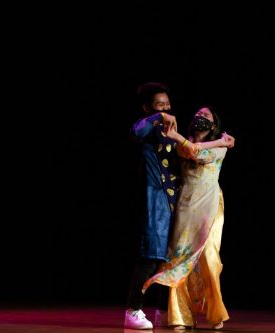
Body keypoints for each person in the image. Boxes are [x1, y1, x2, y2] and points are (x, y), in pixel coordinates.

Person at [142, 106, 234, 330]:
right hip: (186, 205)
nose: (200, 118)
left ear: (214, 125)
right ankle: (179, 316)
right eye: (198, 115)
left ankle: (215, 312)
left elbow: (198, 153)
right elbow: (189, 149)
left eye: (206, 116)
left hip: (210, 207)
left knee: (210, 259)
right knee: (179, 258)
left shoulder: (219, 149)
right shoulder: (184, 145)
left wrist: (220, 144)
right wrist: (221, 141)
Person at [124, 82, 179, 330]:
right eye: (160, 105)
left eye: (167, 104)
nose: (166, 109)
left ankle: (162, 311)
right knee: (150, 254)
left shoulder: (171, 130)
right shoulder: (145, 128)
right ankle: (133, 309)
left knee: (167, 259)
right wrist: (158, 116)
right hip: (153, 198)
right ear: (148, 108)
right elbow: (136, 131)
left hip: (172, 199)